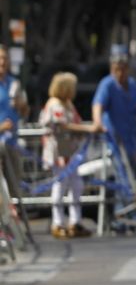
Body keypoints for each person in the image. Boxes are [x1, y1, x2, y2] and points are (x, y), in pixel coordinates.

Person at [38, 72, 95, 239]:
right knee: (60, 185)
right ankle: (57, 222)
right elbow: (63, 126)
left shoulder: (68, 104)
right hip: (58, 152)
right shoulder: (55, 104)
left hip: (70, 151)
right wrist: (87, 129)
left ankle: (75, 221)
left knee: (76, 185)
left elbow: (75, 122)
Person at [91, 48, 136, 181]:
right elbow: (98, 104)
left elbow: (134, 107)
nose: (119, 73)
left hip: (130, 138)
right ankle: (121, 200)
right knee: (119, 175)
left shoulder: (132, 84)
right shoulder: (107, 84)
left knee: (130, 174)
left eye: (122, 69)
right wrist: (97, 122)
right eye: (116, 69)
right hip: (114, 139)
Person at [0, 49, 27, 214]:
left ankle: (10, 227)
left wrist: (21, 106)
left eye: (5, 58)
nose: (2, 62)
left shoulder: (14, 83)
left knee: (14, 187)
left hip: (11, 143)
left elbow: (25, 112)